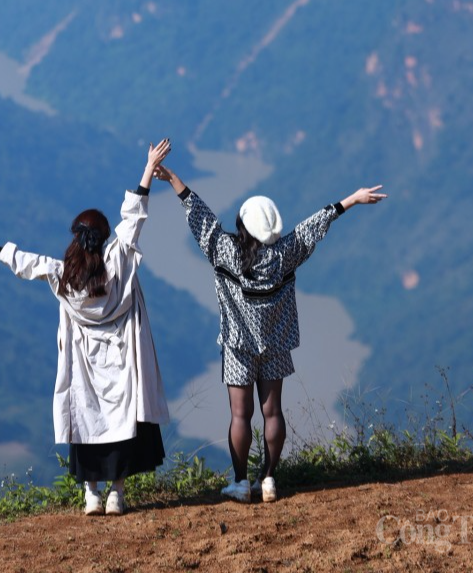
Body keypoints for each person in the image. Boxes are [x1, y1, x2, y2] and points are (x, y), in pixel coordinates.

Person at [0, 139, 172, 517]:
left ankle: (92, 495)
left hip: (85, 365)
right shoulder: (118, 263)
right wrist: (149, 168)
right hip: (122, 362)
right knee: (122, 424)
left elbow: (23, 261)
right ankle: (117, 493)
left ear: (75, 240)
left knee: (87, 421)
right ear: (103, 238)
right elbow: (134, 218)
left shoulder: (61, 277)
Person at [154, 163, 386, 503]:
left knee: (239, 415)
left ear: (243, 226)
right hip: (275, 346)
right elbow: (315, 225)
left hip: (237, 347)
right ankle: (269, 480)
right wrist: (351, 199)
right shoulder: (285, 254)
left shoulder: (226, 252)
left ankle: (240, 482)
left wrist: (174, 180)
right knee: (272, 413)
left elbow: (201, 220)